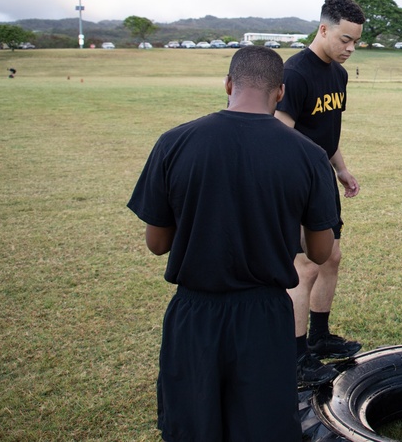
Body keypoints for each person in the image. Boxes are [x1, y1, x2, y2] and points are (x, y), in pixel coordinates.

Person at [127, 45, 339, 441]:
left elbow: (157, 243)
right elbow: (320, 252)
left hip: (194, 316)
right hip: (265, 315)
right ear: (280, 92)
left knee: (192, 428)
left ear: (227, 84)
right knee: (263, 429)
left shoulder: (174, 142)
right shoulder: (310, 156)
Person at [275, 0, 366, 386]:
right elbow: (279, 136)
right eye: (345, 39)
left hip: (322, 180)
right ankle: (295, 359)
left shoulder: (339, 75)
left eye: (356, 42)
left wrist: (341, 170)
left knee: (330, 258)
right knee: (306, 265)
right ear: (323, 28)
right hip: (296, 184)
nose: (350, 48)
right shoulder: (294, 74)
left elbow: (327, 132)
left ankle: (318, 337)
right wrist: (303, 180)